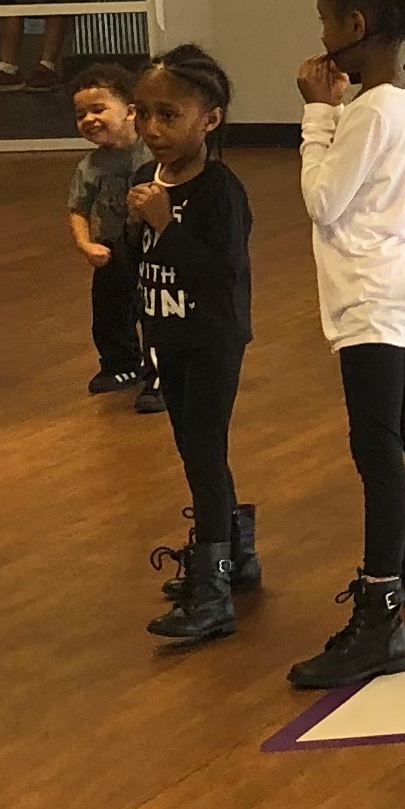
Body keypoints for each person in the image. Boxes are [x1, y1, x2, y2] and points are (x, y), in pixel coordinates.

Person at [290, 0, 405, 690]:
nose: (322, 36)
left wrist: (316, 114)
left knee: (377, 446)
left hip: (369, 294)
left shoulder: (364, 111)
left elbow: (323, 201)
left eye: (326, 22)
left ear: (355, 26)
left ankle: (380, 614)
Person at [127, 46, 256, 642]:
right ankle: (236, 553)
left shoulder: (220, 192)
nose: (152, 129)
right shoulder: (144, 182)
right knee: (195, 449)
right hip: (167, 338)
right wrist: (129, 233)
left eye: (169, 115)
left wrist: (164, 224)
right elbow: (137, 265)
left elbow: (219, 274)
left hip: (212, 340)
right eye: (142, 113)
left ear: (210, 120)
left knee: (203, 453)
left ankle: (213, 588)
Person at [64, 57, 155, 409]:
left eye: (98, 109)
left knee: (154, 309)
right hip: (112, 248)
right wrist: (86, 244)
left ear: (130, 111)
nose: (89, 120)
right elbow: (78, 209)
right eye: (81, 115)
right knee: (109, 310)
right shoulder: (89, 167)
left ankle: (160, 370)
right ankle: (120, 365)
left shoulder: (153, 152)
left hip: (152, 244)